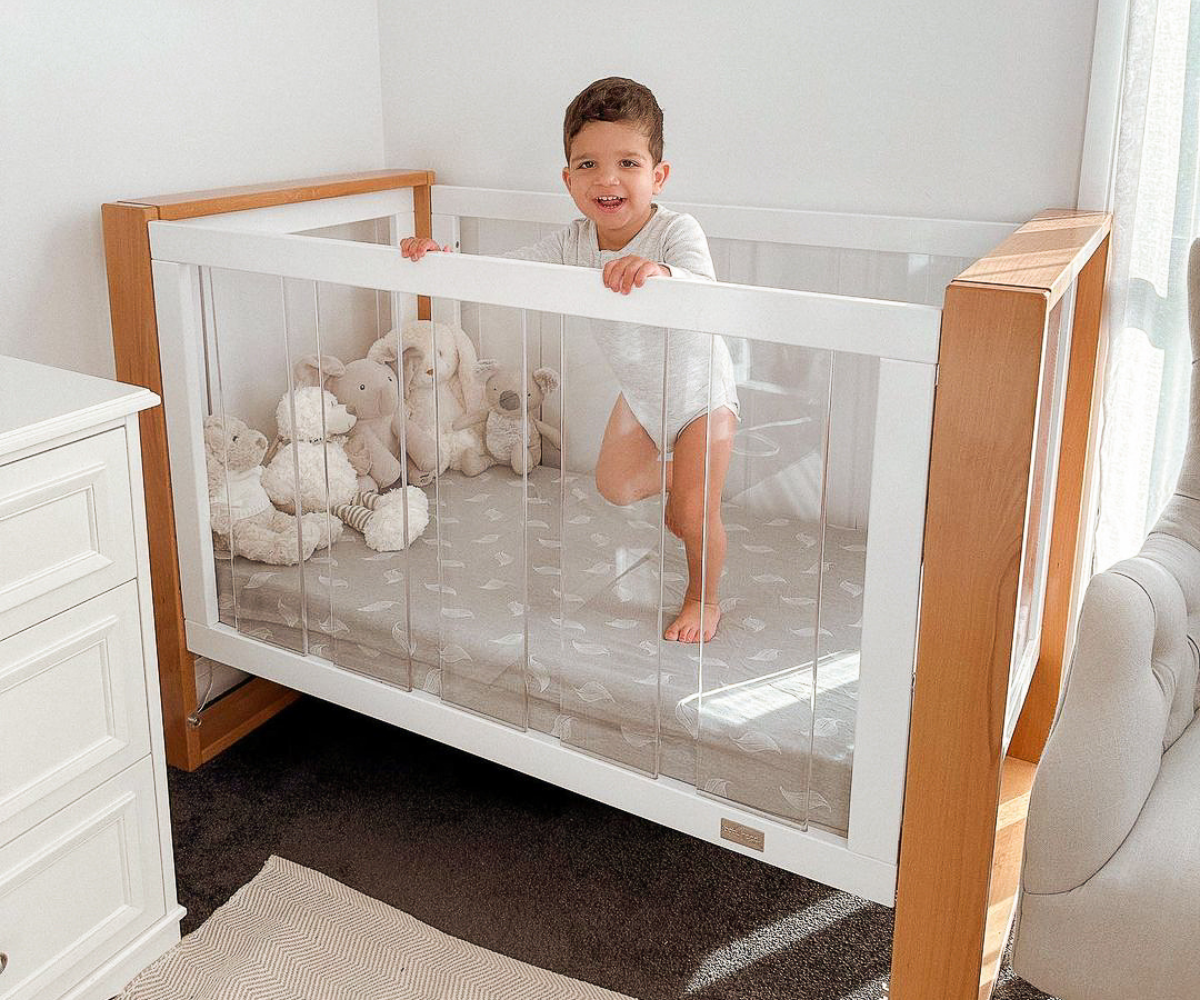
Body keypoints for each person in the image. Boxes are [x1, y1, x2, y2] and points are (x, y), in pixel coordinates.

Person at [401, 77, 739, 644]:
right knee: (614, 485)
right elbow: (506, 270)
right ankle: (687, 484)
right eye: (587, 165)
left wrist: (660, 274)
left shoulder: (676, 231)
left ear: (658, 176)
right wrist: (442, 261)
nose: (607, 179)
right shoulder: (573, 243)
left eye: (627, 162)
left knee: (696, 517)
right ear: (568, 179)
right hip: (642, 394)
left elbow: (704, 287)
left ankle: (703, 597)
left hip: (700, 394)